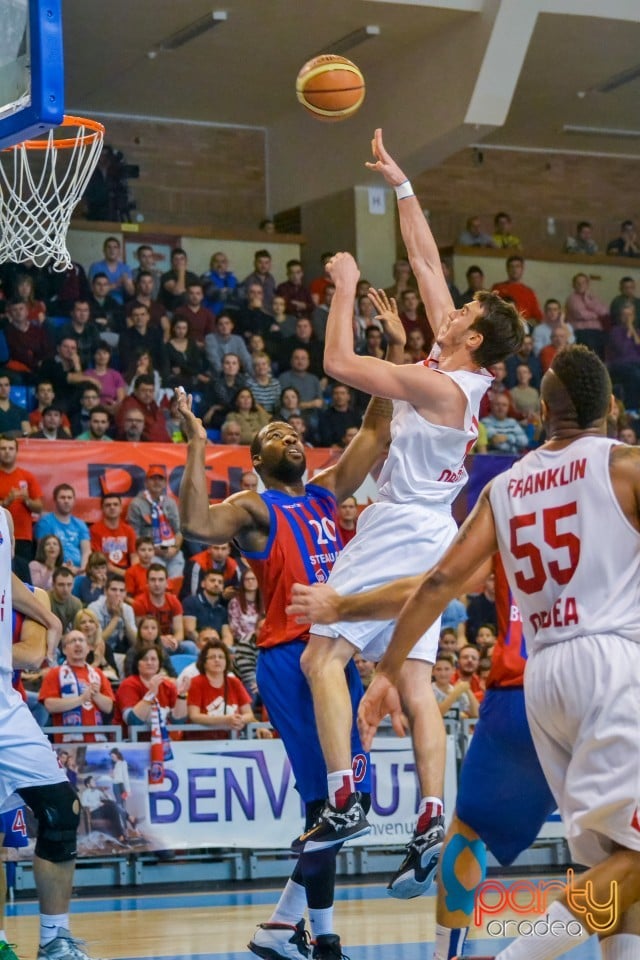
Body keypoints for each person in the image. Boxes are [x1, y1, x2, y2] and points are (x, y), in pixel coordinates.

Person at [354, 344, 640, 960]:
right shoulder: (627, 466)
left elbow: (435, 585)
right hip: (612, 664)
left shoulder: (504, 487)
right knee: (638, 858)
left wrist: (386, 670)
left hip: (541, 680)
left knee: (614, 861)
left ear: (542, 413)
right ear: (612, 407)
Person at [295, 129, 522, 898]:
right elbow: (427, 259)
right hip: (429, 527)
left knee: (321, 657)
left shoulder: (442, 388)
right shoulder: (448, 361)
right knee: (416, 686)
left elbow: (337, 365)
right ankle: (432, 817)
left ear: (476, 335)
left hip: (401, 528)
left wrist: (345, 284)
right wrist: (400, 183)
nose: (452, 306)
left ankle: (344, 801)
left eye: (468, 308)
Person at [176, 281, 405, 959]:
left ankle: (318, 935)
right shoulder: (255, 507)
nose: (290, 434)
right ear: (258, 459)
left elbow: (377, 429)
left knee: (332, 807)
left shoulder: (328, 493)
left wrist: (390, 351)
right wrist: (195, 444)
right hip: (289, 657)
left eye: (293, 428)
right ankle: (282, 931)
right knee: (343, 804)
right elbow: (192, 523)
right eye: (276, 433)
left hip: (333, 655)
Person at [286, 553, 555, 960]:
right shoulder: (619, 503)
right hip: (602, 680)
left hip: (517, 691)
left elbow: (433, 586)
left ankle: (451, 954)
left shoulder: (509, 506)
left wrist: (347, 615)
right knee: (623, 857)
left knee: (467, 831)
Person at [0, 507, 104, 959]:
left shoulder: (3, 520)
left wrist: (45, 613)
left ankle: (54, 939)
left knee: (62, 810)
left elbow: (7, 579)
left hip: (5, 700)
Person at [38, 630, 115, 743]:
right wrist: (81, 699)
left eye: (81, 640)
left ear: (88, 648)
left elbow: (108, 707)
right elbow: (50, 705)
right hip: (66, 745)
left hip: (97, 742)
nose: (78, 644)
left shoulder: (98, 674)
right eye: (73, 641)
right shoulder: (54, 673)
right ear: (64, 650)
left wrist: (96, 695)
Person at [186, 639, 257, 739]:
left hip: (232, 741)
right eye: (212, 657)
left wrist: (239, 720)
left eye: (221, 657)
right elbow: (194, 716)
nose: (217, 660)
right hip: (201, 742)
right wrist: (225, 720)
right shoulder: (196, 682)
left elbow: (249, 714)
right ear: (204, 662)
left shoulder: (234, 682)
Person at [126, 465, 184, 579]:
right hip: (150, 552)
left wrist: (175, 548)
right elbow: (134, 535)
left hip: (171, 550)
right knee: (157, 576)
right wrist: (153, 550)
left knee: (177, 570)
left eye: (160, 479)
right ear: (146, 483)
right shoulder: (136, 504)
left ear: (164, 483)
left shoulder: (170, 503)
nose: (156, 482)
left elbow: (179, 530)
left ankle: (172, 595)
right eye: (153, 479)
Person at [0, 435, 43, 561]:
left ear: (16, 451)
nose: (7, 452)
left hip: (23, 536)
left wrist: (26, 500)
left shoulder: (27, 476)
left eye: (10, 448)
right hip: (2, 534)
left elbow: (39, 508)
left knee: (22, 577)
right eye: (3, 448)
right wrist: (6, 502)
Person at [36, 484, 91, 576]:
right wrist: (63, 567)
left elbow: (86, 551)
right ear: (55, 500)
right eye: (62, 497)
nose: (66, 501)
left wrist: (83, 569)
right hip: (53, 570)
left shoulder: (80, 524)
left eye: (69, 498)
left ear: (74, 500)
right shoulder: (45, 522)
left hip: (78, 571)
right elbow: (43, 550)